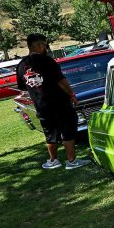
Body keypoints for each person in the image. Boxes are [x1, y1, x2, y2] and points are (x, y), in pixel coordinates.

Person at [16, 33, 90, 170]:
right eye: (44, 44)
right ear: (38, 45)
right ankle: (72, 161)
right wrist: (71, 94)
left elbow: (23, 88)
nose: (46, 47)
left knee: (50, 133)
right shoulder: (47, 61)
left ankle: (53, 160)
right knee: (67, 130)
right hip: (59, 102)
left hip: (41, 105)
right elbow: (61, 81)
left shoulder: (21, 65)